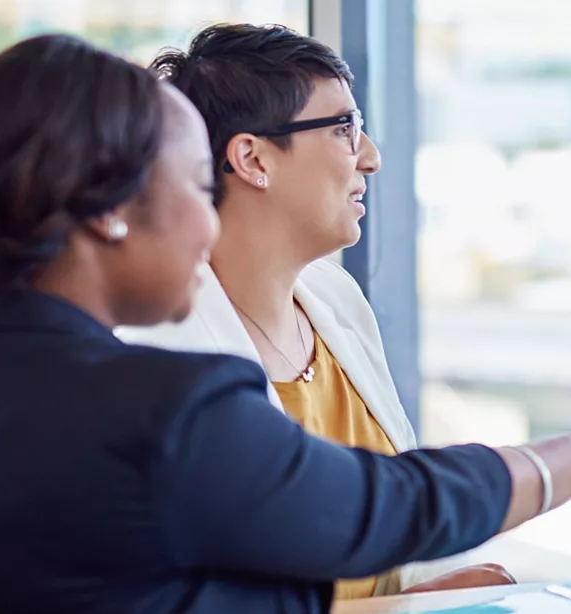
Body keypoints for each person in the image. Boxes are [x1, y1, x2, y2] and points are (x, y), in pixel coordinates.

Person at [0, 34, 571, 613]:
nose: (207, 220)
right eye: (193, 184)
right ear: (111, 213)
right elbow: (386, 506)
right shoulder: (162, 410)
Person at [119, 23, 510, 597]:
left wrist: (442, 590)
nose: (371, 159)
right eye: (345, 129)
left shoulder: (336, 299)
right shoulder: (155, 349)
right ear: (252, 158)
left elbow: (395, 528)